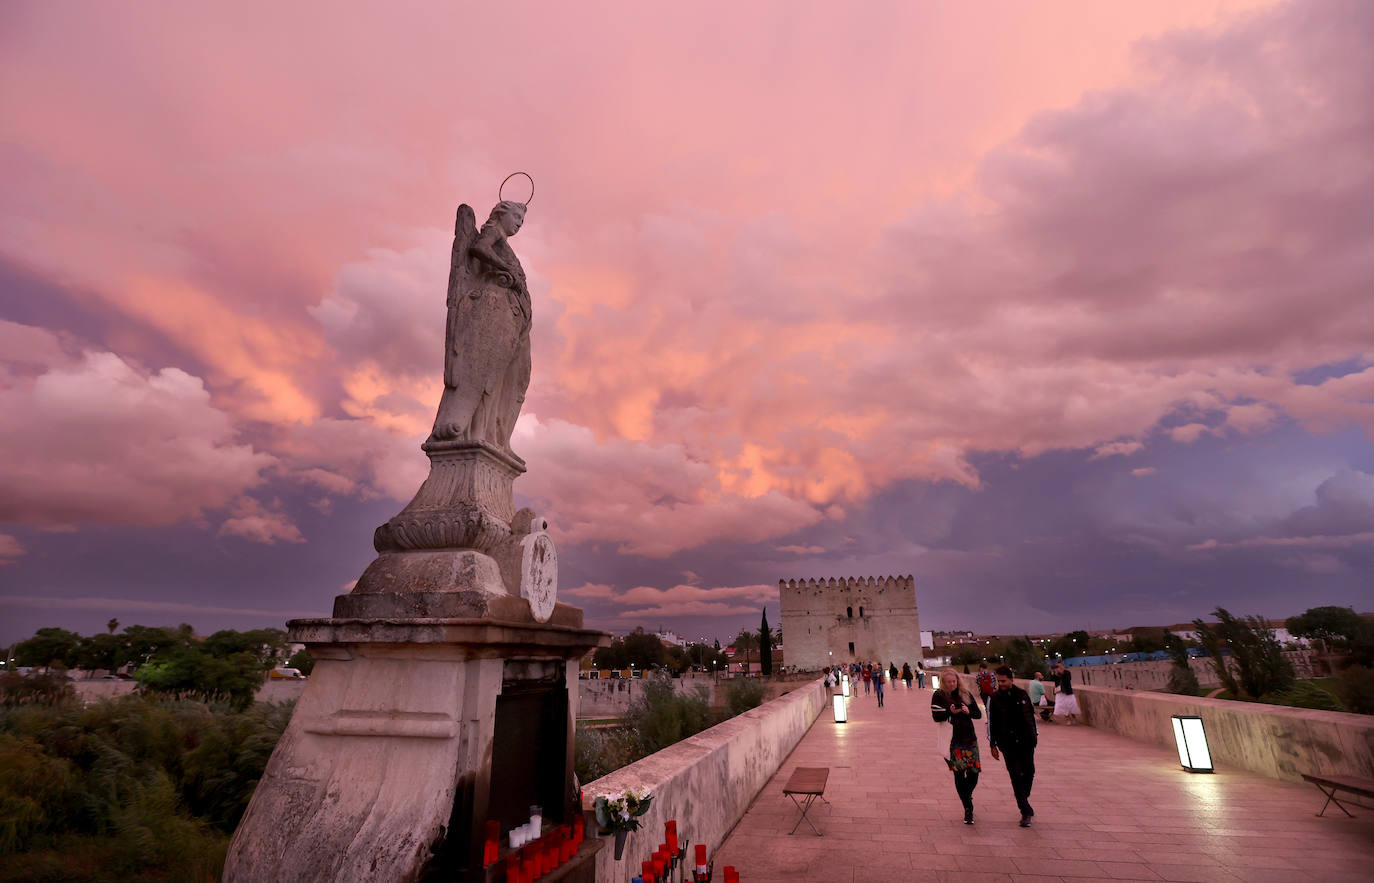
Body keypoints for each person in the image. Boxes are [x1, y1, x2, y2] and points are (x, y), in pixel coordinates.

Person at [987, 666, 1038, 827]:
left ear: (1011, 680)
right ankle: (1025, 811)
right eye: (998, 681)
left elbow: (1030, 716)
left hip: (1026, 742)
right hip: (1007, 743)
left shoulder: (1022, 695)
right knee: (1015, 776)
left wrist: (1034, 736)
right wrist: (992, 744)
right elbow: (991, 722)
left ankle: (1023, 797)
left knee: (1029, 771)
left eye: (1003, 681)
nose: (1000, 684)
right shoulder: (994, 698)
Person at [930, 668, 982, 824]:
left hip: (969, 739)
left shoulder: (965, 693)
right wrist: (949, 711)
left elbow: (978, 714)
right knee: (959, 774)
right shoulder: (939, 695)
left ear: (958, 681)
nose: (952, 684)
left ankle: (966, 795)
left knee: (973, 773)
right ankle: (968, 809)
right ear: (943, 683)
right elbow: (936, 716)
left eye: (954, 681)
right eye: (948, 682)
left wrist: (967, 711)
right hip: (953, 741)